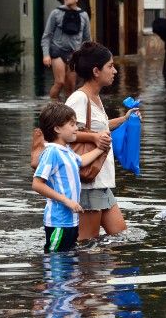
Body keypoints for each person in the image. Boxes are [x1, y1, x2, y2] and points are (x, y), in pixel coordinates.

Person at [65, 42, 141, 241]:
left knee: (120, 237)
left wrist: (125, 119)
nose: (115, 71)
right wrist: (94, 137)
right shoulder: (78, 99)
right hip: (89, 183)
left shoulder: (95, 98)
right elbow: (65, 134)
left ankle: (101, 272)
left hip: (101, 181)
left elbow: (101, 126)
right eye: (110, 66)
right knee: (86, 245)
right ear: (96, 71)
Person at [32, 102, 106, 252]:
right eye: (72, 124)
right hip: (58, 221)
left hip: (70, 220)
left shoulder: (66, 151)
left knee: (67, 258)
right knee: (54, 258)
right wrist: (67, 201)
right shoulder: (52, 152)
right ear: (57, 129)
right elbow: (37, 184)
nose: (76, 128)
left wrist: (102, 148)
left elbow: (82, 161)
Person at [41, 0, 91, 100]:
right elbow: (47, 35)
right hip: (57, 51)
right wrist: (46, 54)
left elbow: (87, 39)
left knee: (70, 86)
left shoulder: (83, 15)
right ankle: (52, 107)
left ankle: (66, 112)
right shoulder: (56, 13)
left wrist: (87, 57)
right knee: (60, 82)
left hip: (74, 54)